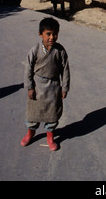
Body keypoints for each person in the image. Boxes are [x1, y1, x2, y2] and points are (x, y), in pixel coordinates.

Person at [21, 17, 70, 151]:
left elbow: (65, 69)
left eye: (55, 34)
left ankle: (50, 136)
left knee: (52, 114)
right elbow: (28, 70)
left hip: (54, 87)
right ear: (40, 34)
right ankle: (30, 133)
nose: (52, 37)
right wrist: (30, 87)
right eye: (48, 34)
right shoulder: (35, 50)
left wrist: (64, 87)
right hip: (37, 87)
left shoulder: (60, 51)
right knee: (33, 113)